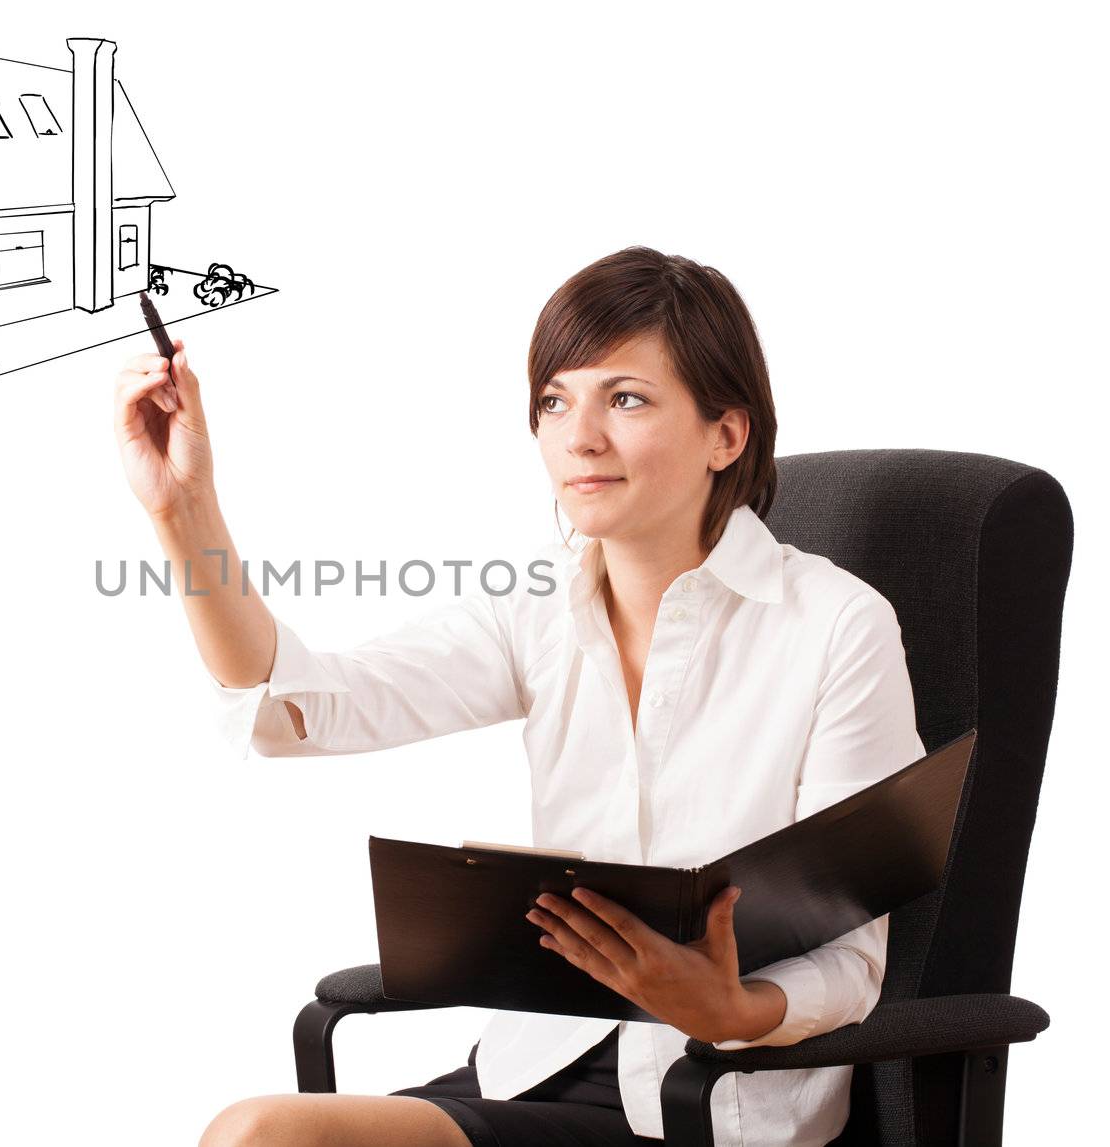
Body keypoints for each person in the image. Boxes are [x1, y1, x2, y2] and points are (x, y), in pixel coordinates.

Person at [112, 246, 926, 1147]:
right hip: (534, 1065)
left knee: (263, 1133)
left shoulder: (838, 627)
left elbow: (854, 960)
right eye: (554, 400)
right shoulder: (537, 609)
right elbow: (303, 708)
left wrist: (732, 1004)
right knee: (260, 1133)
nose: (579, 436)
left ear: (726, 434)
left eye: (626, 398)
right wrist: (184, 515)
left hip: (718, 1099)